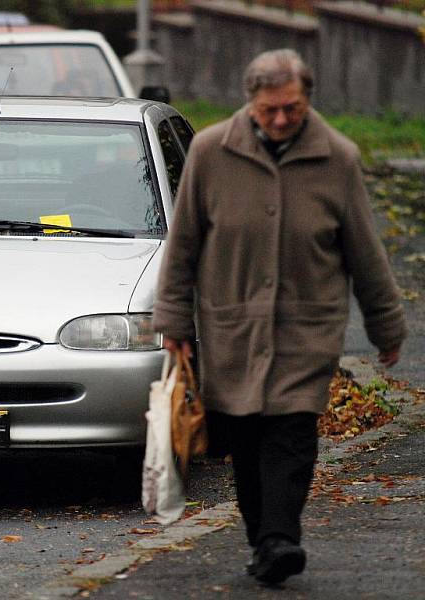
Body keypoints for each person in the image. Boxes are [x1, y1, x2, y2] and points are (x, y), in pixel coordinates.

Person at [152, 49, 407, 585]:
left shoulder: (337, 157)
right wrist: (174, 321)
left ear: (307, 99)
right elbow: (184, 245)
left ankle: (280, 538)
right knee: (243, 437)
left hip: (306, 329)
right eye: (271, 110)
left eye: (291, 108)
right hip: (232, 328)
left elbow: (365, 251)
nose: (282, 120)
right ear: (251, 103)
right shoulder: (211, 151)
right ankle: (264, 540)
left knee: (291, 431)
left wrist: (387, 325)